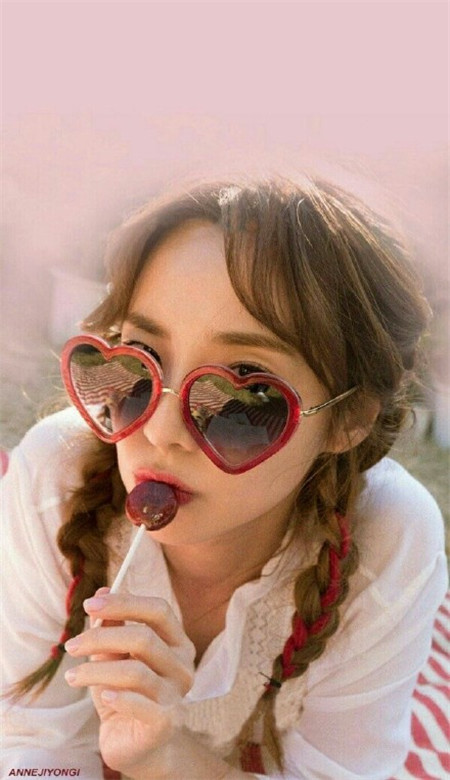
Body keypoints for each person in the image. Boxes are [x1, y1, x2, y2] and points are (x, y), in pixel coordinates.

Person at [1, 174, 447, 780]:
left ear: (349, 419)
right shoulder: (54, 480)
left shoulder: (388, 538)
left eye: (244, 394)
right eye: (141, 359)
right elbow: (31, 747)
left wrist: (169, 757)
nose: (161, 431)